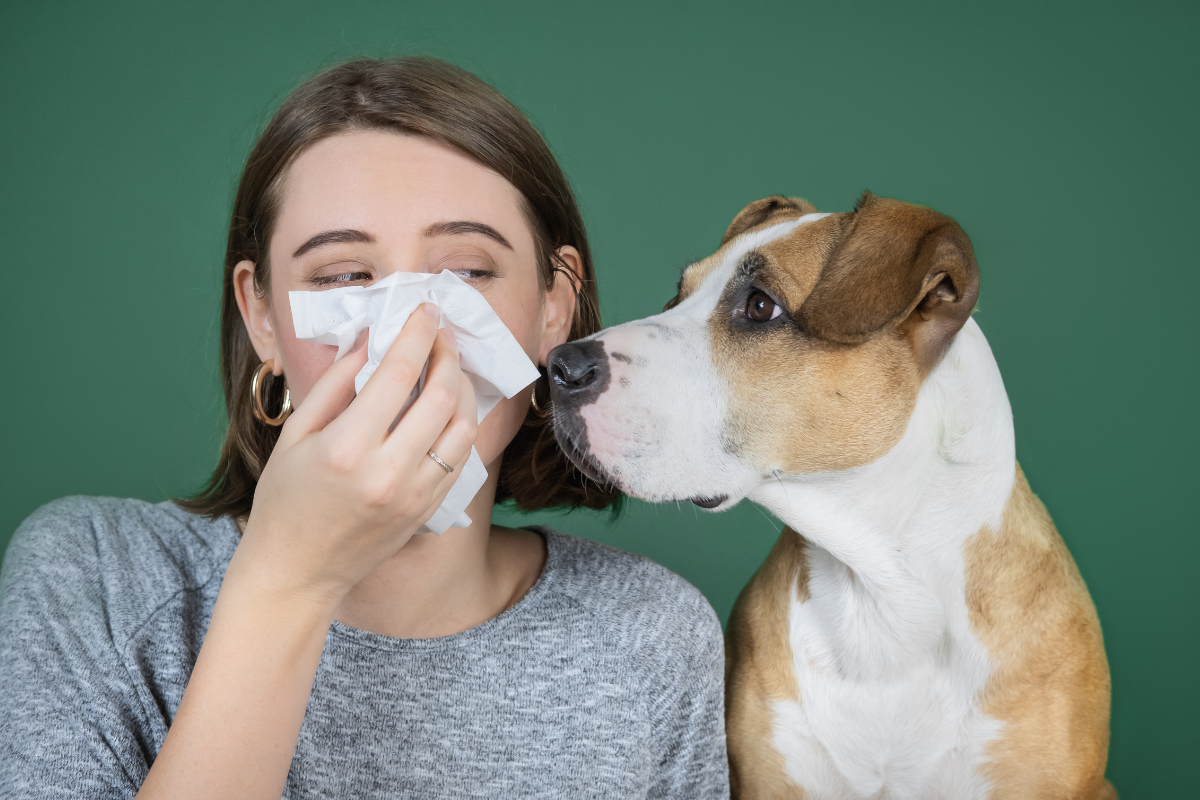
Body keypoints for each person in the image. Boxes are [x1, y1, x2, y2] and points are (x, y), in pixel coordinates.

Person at [0, 56, 728, 799]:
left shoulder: (651, 635)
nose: (411, 329)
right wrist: (289, 580)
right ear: (263, 317)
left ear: (554, 307)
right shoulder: (93, 580)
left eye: (466, 271)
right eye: (343, 276)